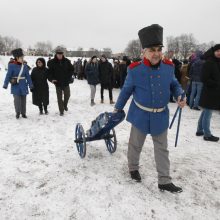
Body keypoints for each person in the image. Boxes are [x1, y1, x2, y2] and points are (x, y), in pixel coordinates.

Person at [114, 24, 186, 193]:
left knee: (162, 149)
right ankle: (133, 168)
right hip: (140, 115)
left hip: (160, 116)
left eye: (159, 49)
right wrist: (117, 108)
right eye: (152, 50)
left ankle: (164, 181)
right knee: (135, 145)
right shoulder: (134, 70)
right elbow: (126, 91)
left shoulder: (169, 67)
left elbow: (175, 85)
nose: (156, 53)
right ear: (144, 52)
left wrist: (180, 95)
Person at [196, 44, 220, 142]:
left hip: (213, 92)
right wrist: (216, 83)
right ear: (213, 52)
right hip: (209, 92)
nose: (219, 53)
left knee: (205, 111)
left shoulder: (216, 62)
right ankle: (207, 134)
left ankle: (199, 130)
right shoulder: (209, 62)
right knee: (208, 113)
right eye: (217, 51)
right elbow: (204, 78)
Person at [3, 48, 33, 119]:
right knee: (16, 100)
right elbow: (8, 75)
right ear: (17, 58)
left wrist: (30, 85)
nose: (22, 58)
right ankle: (17, 112)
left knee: (23, 100)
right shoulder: (11, 65)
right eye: (21, 57)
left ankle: (23, 113)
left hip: (23, 85)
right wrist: (5, 84)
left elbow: (28, 76)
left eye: (23, 57)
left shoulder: (25, 66)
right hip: (15, 85)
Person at [47, 46, 74, 116]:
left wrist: (69, 76)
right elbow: (49, 73)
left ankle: (64, 105)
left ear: (63, 54)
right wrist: (51, 79)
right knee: (59, 97)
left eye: (61, 54)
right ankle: (61, 110)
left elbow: (72, 69)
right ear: (56, 54)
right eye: (58, 54)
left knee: (67, 95)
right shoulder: (52, 62)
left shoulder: (67, 61)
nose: (60, 55)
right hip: (57, 82)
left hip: (65, 81)